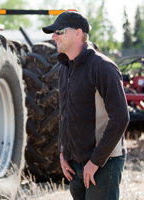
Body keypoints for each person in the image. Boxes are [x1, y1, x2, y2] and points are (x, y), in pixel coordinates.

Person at [42, 11, 129, 200]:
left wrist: (95, 162)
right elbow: (65, 113)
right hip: (75, 160)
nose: (54, 36)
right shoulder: (65, 67)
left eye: (59, 31)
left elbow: (121, 118)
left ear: (78, 33)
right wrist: (63, 151)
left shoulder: (103, 67)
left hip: (104, 162)